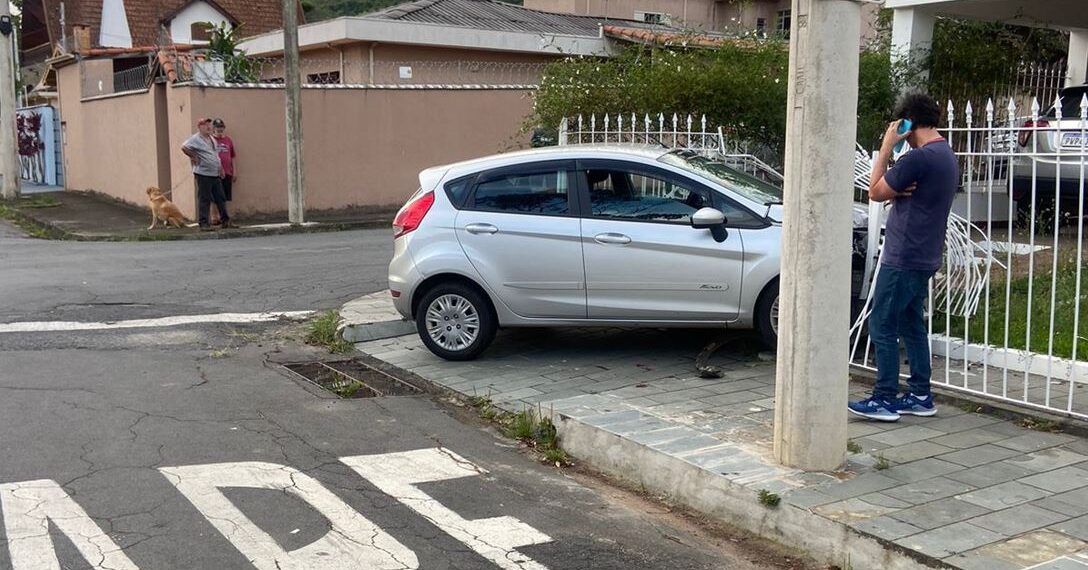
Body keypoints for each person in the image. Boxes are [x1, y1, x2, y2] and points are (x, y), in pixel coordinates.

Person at [848, 92, 959, 422]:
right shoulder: (945, 154)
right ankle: (921, 394)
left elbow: (875, 191)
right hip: (924, 253)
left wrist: (885, 148)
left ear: (908, 122)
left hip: (903, 254)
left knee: (881, 322)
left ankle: (884, 397)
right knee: (911, 323)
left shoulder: (918, 159)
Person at [181, 118, 232, 231]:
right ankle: (203, 223)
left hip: (215, 173)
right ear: (199, 127)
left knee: (220, 197)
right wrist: (193, 156)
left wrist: (220, 168)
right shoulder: (195, 139)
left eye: (209, 124)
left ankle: (225, 221)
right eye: (205, 125)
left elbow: (215, 154)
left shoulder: (211, 139)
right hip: (203, 173)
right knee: (204, 198)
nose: (208, 127)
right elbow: (184, 147)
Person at [212, 118, 236, 219]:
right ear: (214, 129)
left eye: (221, 127)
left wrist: (234, 171)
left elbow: (232, 156)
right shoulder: (211, 140)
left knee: (224, 196)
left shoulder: (228, 140)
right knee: (214, 196)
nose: (220, 129)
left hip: (227, 172)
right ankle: (214, 216)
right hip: (215, 172)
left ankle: (223, 216)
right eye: (218, 127)